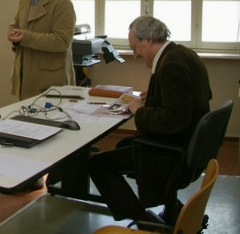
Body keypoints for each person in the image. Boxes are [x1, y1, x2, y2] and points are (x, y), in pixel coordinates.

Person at [88, 16, 212, 225]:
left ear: (149, 39)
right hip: (188, 145)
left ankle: (146, 223)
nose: (135, 55)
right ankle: (169, 211)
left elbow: (175, 119)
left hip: (170, 152)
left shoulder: (171, 65)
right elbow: (194, 98)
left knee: (98, 164)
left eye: (135, 47)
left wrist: (139, 110)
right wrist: (156, 96)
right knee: (122, 146)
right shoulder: (184, 54)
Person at [6, 0, 75, 99]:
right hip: (25, 77)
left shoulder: (61, 3)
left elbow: (62, 41)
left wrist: (25, 37)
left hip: (50, 81)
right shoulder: (24, 1)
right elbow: (15, 24)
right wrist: (13, 34)